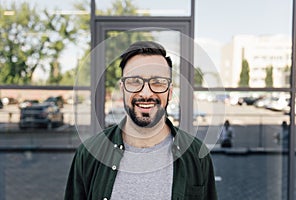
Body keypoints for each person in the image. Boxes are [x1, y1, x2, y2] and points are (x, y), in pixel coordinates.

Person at [64, 41, 218, 200]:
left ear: (170, 92)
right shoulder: (89, 153)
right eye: (135, 81)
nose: (146, 93)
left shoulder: (197, 154)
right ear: (122, 89)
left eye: (158, 82)